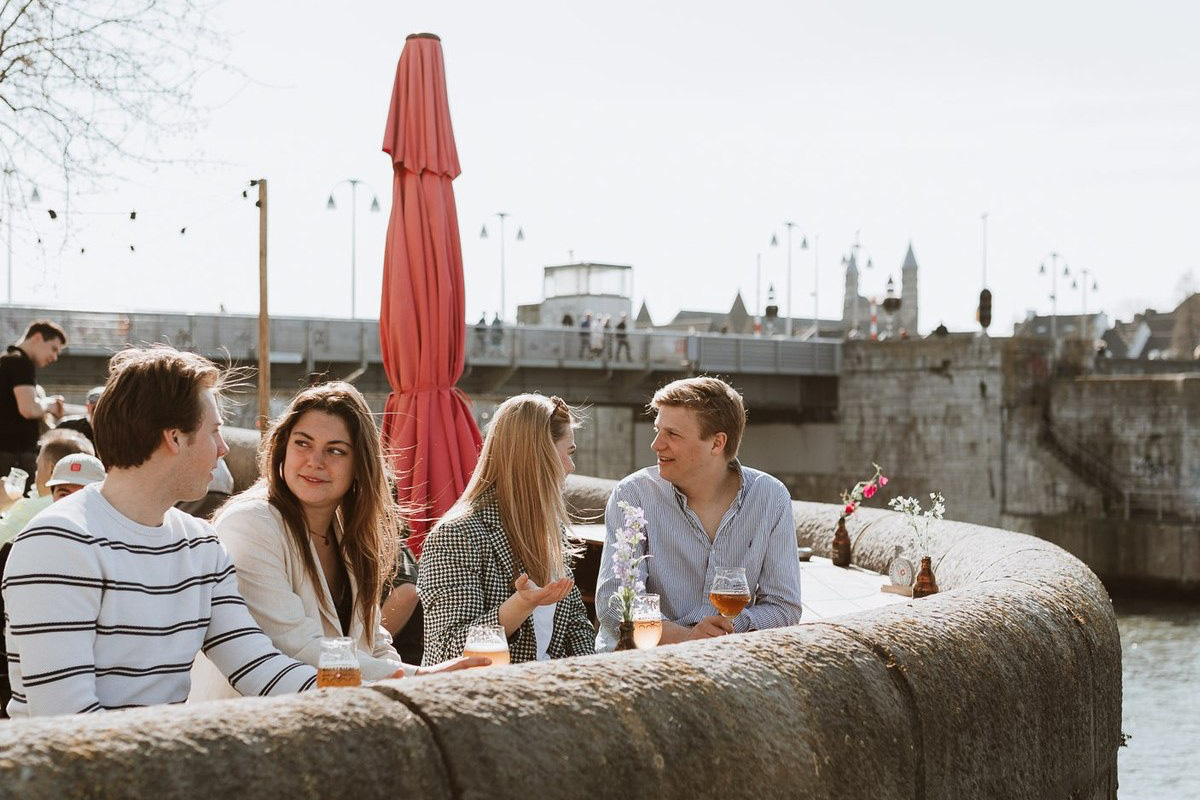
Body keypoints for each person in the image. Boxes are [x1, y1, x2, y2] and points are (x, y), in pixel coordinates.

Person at [2, 345, 319, 717]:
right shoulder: (58, 542)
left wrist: (369, 688)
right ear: (174, 437)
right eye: (214, 430)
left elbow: (258, 666)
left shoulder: (202, 543)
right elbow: (65, 720)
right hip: (75, 771)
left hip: (159, 762)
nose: (223, 447)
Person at [189, 383, 482, 701]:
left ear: (359, 466)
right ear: (282, 449)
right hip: (247, 725)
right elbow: (294, 643)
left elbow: (373, 640)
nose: (315, 460)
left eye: (335, 450)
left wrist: (408, 685)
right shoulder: (250, 523)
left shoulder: (349, 530)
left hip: (328, 714)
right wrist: (418, 677)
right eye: (303, 443)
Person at [594, 376, 803, 652]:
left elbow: (784, 608)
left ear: (717, 444)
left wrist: (727, 627)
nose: (656, 444)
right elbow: (615, 605)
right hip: (643, 661)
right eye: (658, 430)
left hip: (724, 661)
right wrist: (686, 638)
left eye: (673, 434)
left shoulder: (770, 497)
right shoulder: (633, 495)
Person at [420, 394, 595, 665]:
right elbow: (446, 651)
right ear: (537, 456)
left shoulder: (551, 529)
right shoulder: (456, 536)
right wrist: (520, 605)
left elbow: (576, 628)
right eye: (568, 452)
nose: (571, 467)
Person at [0, 452, 104, 716]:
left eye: (81, 493)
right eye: (62, 492)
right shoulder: (20, 546)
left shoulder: (116, 553)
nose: (69, 502)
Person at [0, 320, 67, 494]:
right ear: (37, 338)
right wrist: (50, 405)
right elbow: (28, 409)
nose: (55, 357)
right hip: (14, 456)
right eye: (53, 348)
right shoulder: (20, 362)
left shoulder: (7, 360)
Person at [0, 429, 94, 544]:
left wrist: (2, 505)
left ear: (51, 469)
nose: (36, 473)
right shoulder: (93, 509)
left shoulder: (31, 509)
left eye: (38, 466)